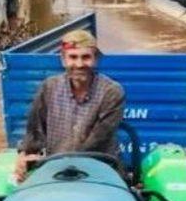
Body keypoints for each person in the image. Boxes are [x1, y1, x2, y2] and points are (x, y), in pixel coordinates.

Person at [13, 29, 125, 183]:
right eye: (73, 57)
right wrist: (25, 156)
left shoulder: (111, 92)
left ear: (96, 59)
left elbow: (98, 139)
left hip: (100, 168)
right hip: (56, 169)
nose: (79, 64)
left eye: (86, 57)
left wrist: (67, 165)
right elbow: (35, 130)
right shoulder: (49, 87)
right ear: (63, 60)